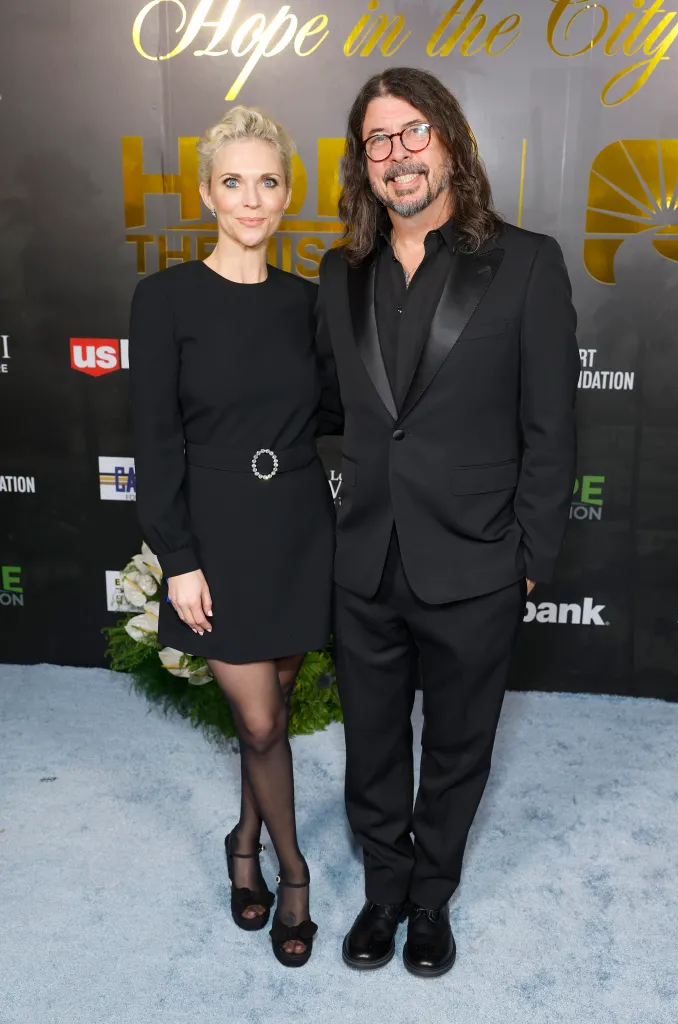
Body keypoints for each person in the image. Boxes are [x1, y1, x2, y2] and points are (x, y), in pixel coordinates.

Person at [316, 68, 580, 977]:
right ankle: (383, 889)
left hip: (476, 559)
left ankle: (430, 897)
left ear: (450, 141)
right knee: (370, 741)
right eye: (377, 140)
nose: (396, 155)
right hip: (365, 555)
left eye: (412, 133)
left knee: (459, 746)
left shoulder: (527, 262)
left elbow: (550, 427)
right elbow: (329, 408)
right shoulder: (339, 272)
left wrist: (529, 556)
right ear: (362, 163)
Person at [129, 106, 340, 968]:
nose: (251, 199)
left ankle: (242, 845)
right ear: (206, 194)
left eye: (267, 182)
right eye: (233, 182)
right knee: (257, 722)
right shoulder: (164, 298)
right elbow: (154, 441)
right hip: (215, 535)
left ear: (286, 195)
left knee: (273, 711)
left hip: (296, 523)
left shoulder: (308, 303)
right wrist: (178, 559)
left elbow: (334, 409)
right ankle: (293, 874)